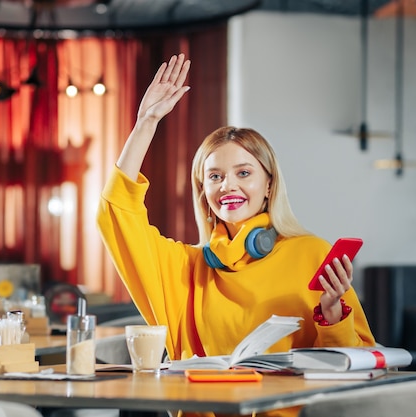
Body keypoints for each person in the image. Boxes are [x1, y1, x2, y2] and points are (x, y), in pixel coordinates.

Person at [97, 53, 375, 417]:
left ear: (268, 183)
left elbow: (360, 366)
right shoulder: (186, 269)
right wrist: (145, 123)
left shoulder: (311, 253)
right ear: (204, 192)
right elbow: (116, 214)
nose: (228, 185)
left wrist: (333, 315)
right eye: (215, 176)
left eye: (244, 173)